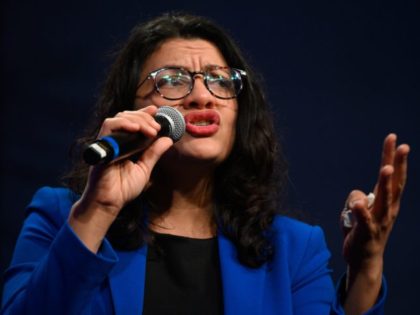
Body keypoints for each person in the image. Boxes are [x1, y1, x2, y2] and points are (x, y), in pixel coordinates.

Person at [1, 12, 410, 315]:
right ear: (130, 110)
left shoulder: (292, 249)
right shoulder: (61, 218)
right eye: (173, 80)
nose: (202, 96)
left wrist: (367, 266)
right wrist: (99, 210)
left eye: (220, 80)